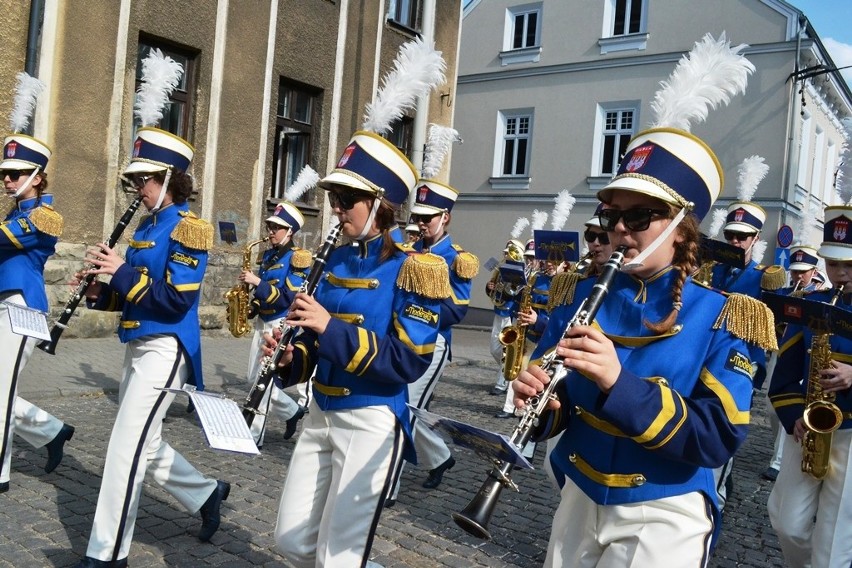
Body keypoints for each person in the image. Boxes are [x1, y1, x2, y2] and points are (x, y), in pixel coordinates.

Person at [513, 126, 775, 566]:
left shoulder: (726, 316)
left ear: (680, 228)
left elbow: (717, 437)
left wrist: (618, 383)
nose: (618, 229)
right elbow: (563, 406)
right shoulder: (579, 295)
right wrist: (541, 401)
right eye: (611, 214)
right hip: (578, 492)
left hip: (663, 512)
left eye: (637, 218)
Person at [266, 131, 449, 567]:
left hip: (371, 419)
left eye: (347, 200)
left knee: (339, 556)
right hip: (320, 412)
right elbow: (312, 341)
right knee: (290, 540)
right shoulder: (334, 260)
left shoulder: (414, 270)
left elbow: (406, 361)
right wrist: (293, 358)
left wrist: (329, 328)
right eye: (336, 199)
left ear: (379, 205)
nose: (336, 209)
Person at [73, 127, 228, 567]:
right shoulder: (147, 224)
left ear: (169, 178)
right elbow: (135, 293)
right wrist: (98, 293)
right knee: (147, 441)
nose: (138, 189)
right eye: (135, 182)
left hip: (167, 346)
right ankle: (206, 493)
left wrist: (120, 270)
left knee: (125, 446)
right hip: (139, 342)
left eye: (145, 180)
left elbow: (175, 299)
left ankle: (106, 553)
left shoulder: (190, 230)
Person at [767, 207, 852, 567]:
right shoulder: (811, 305)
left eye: (849, 265)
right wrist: (792, 417)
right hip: (808, 430)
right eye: (833, 265)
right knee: (788, 524)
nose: (840, 274)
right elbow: (783, 375)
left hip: (850, 436)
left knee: (834, 542)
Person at [386, 179, 477, 505]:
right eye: (418, 217)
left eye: (428, 218)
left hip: (432, 344)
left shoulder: (457, 259)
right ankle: (439, 457)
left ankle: (387, 489)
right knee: (407, 410)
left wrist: (418, 304)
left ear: (445, 218)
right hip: (398, 342)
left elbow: (455, 311)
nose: (421, 224)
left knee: (402, 414)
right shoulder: (410, 252)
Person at [0, 128, 74, 494]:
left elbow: (6, 238)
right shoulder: (14, 212)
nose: (8, 180)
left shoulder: (46, 216)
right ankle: (50, 431)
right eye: (5, 174)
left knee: (0, 390)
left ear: (37, 178)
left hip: (22, 306)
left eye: (15, 174)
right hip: (4, 302)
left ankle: (0, 472)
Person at [240, 202, 311, 446]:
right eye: (270, 226)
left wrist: (257, 282)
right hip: (264, 320)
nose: (270, 231)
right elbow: (266, 293)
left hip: (281, 323)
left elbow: (287, 297)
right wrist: (253, 307)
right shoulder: (269, 254)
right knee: (254, 378)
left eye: (277, 227)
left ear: (289, 231)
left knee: (263, 379)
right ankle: (292, 412)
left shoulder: (298, 258)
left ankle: (254, 435)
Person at [761, 244, 823, 482]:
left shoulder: (818, 296)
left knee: (793, 402)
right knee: (771, 406)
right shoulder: (785, 294)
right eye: (795, 271)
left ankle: (777, 461)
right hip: (780, 352)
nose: (798, 276)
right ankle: (781, 446)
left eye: (803, 272)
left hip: (802, 357)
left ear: (813, 271)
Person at [485, 239, 525, 396]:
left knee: (505, 348)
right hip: (499, 310)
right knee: (494, 349)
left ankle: (502, 383)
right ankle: (506, 371)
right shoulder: (501, 268)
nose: (505, 254)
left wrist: (507, 288)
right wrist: (490, 287)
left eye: (509, 252)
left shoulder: (519, 270)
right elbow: (493, 287)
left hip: (511, 313)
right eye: (506, 251)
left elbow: (516, 293)